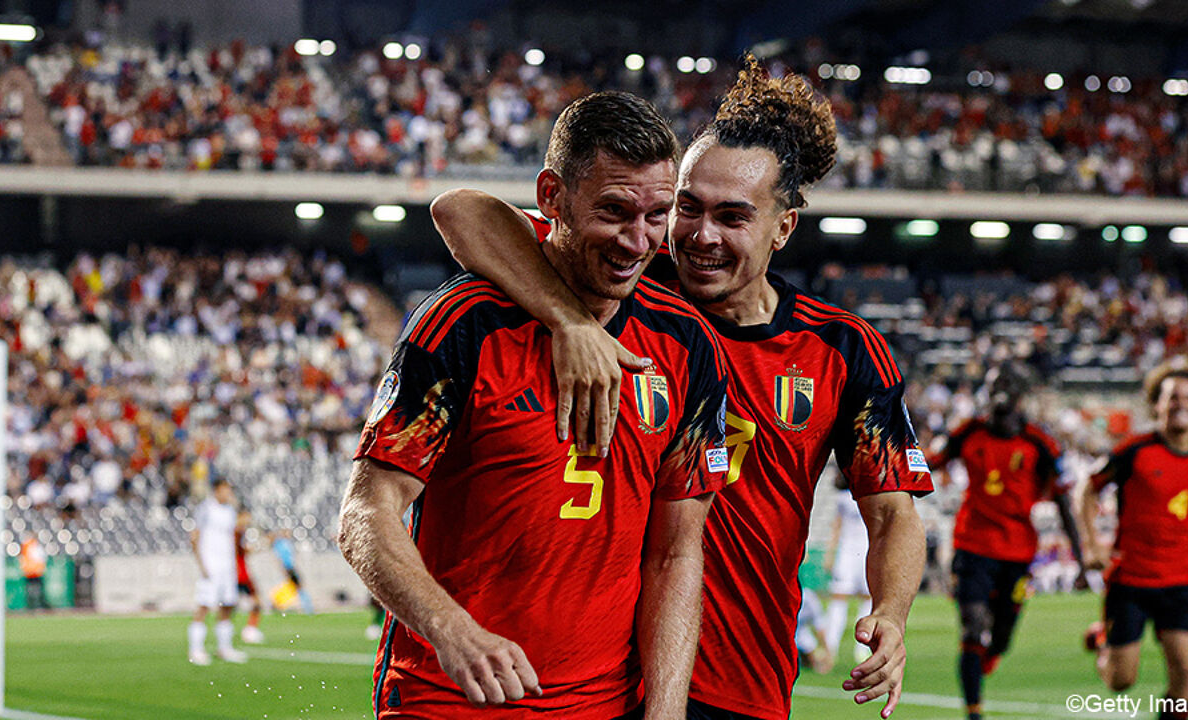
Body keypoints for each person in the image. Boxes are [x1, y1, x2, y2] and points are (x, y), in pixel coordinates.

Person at [430, 56, 933, 720]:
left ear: (783, 227)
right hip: (607, 678)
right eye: (687, 208)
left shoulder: (841, 349)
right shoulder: (622, 274)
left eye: (732, 217)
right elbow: (461, 211)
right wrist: (569, 321)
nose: (699, 235)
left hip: (740, 676)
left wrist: (890, 613)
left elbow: (893, 514)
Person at [338, 91, 729, 719]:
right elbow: (366, 511)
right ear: (551, 197)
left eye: (657, 215)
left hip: (600, 706)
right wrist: (451, 630)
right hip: (446, 700)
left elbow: (675, 553)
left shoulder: (688, 346)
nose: (638, 241)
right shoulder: (462, 324)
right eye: (613, 211)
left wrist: (665, 711)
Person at [926, 363, 1085, 720]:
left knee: (1001, 637)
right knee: (972, 625)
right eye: (993, 383)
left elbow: (1063, 502)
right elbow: (928, 463)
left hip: (1017, 551)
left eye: (1007, 384)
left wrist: (1080, 557)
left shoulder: (1040, 442)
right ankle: (974, 712)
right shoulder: (967, 432)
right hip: (972, 545)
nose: (999, 390)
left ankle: (993, 652)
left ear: (1020, 395)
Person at [1081, 364, 1188, 718]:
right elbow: (1088, 489)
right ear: (1156, 405)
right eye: (1172, 397)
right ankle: (1102, 641)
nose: (1181, 404)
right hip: (1130, 580)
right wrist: (1092, 543)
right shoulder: (1134, 451)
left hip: (1180, 580)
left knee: (1185, 669)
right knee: (1121, 680)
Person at [188, 479, 247, 665]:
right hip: (211, 564)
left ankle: (225, 648)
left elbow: (234, 536)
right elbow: (194, 536)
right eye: (225, 490)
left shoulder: (230, 511)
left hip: (227, 566)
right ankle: (196, 649)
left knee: (228, 605)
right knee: (204, 605)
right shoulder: (206, 509)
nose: (228, 494)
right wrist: (201, 564)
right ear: (216, 490)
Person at [824, 478, 874, 666]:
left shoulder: (870, 494)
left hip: (866, 550)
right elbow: (836, 525)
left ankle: (862, 648)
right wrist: (830, 552)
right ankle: (830, 647)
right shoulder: (843, 497)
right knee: (838, 597)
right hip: (846, 552)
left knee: (868, 598)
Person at [235, 510, 265, 644]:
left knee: (254, 602)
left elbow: (242, 551)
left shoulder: (237, 533)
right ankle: (250, 630)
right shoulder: (236, 532)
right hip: (240, 575)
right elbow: (240, 550)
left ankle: (249, 630)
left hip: (237, 574)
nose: (247, 521)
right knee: (256, 602)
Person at [272, 529, 313, 614]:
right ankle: (307, 607)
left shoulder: (286, 543)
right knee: (298, 586)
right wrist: (284, 568)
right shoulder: (280, 544)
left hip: (291, 567)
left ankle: (277, 603)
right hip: (289, 568)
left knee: (294, 586)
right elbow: (280, 558)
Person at [795, 587, 834, 675]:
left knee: (808, 644)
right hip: (785, 631)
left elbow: (819, 628)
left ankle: (806, 660)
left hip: (800, 631)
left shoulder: (811, 601)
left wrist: (827, 652)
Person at [19, 534, 49, 611]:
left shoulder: (31, 546)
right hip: (32, 572)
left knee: (35, 590)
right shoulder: (31, 546)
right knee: (33, 590)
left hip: (33, 572)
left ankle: (36, 605)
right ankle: (33, 606)